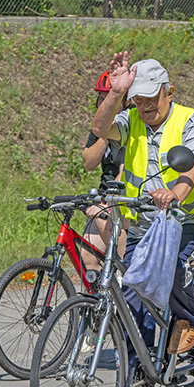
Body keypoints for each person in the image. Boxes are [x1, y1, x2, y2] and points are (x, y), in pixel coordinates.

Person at [92, 51, 194, 387]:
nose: (146, 105)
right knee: (132, 298)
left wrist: (175, 194)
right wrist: (114, 93)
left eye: (153, 98)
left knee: (173, 266)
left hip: (190, 216)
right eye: (140, 99)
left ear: (169, 91)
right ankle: (134, 386)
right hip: (145, 221)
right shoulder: (130, 117)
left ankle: (193, 322)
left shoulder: (188, 119)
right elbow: (100, 131)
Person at [80, 69, 127, 272]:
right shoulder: (99, 128)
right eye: (101, 99)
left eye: (110, 99)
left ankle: (128, 281)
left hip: (126, 195)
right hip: (105, 197)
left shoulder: (131, 124)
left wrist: (108, 201)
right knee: (86, 256)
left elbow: (127, 170)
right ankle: (99, 302)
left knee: (103, 220)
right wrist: (105, 134)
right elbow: (88, 162)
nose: (104, 104)